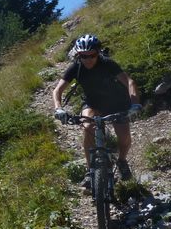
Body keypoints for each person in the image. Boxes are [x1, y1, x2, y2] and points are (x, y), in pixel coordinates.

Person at [52, 34, 142, 183]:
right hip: (93, 103)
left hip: (116, 102)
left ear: (98, 53)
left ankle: (122, 161)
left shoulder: (108, 64)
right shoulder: (76, 67)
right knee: (87, 126)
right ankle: (90, 170)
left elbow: (129, 82)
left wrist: (134, 104)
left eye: (92, 55)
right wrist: (58, 108)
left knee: (124, 137)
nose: (88, 60)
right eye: (83, 56)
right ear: (78, 55)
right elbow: (57, 90)